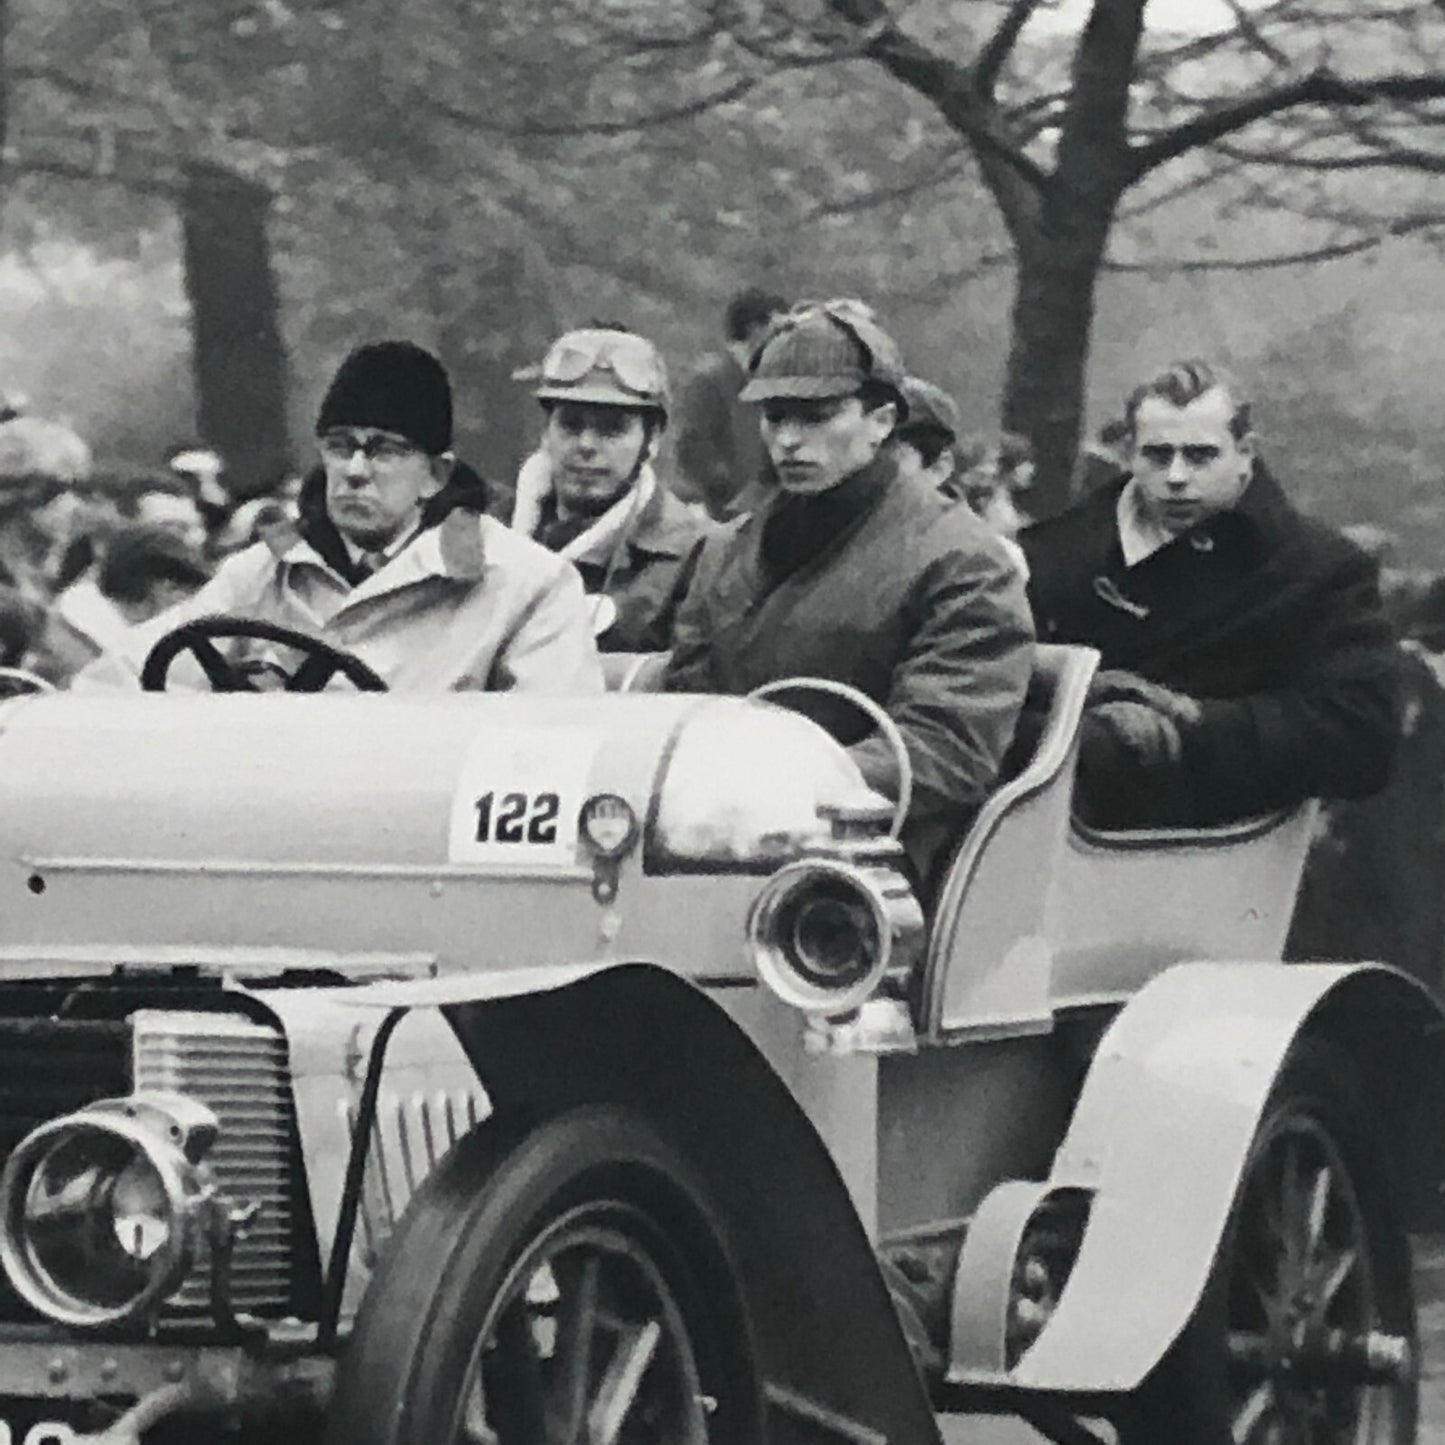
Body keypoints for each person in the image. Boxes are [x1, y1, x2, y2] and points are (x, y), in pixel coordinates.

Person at [664, 300, 1035, 883]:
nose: (787, 439)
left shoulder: (963, 559)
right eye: (775, 415)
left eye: (817, 415)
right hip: (704, 845)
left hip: (872, 866)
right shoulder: (728, 549)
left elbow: (944, 751)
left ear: (882, 421)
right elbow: (683, 702)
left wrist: (771, 788)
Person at [81, 341, 603, 694]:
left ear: (435, 475)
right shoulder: (266, 568)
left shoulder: (523, 582)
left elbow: (553, 743)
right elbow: (123, 678)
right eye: (339, 446)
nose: (355, 470)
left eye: (385, 451)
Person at [1020, 359, 1402, 829]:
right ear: (1129, 453)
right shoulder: (1051, 551)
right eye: (1157, 455)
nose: (1177, 476)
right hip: (1035, 810)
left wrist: (1191, 722)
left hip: (1196, 840)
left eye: (1200, 456)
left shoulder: (1316, 572)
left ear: (1245, 452)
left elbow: (1361, 735)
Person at [508, 326, 710, 653]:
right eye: (571, 424)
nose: (586, 445)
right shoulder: (494, 536)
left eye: (612, 429)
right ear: (546, 431)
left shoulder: (697, 557)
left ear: (652, 439)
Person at [673, 286, 788, 520]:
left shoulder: (769, 381)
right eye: (777, 330)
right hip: (718, 515)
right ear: (755, 329)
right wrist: (730, 494)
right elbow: (693, 446)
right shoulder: (710, 379)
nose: (784, 340)